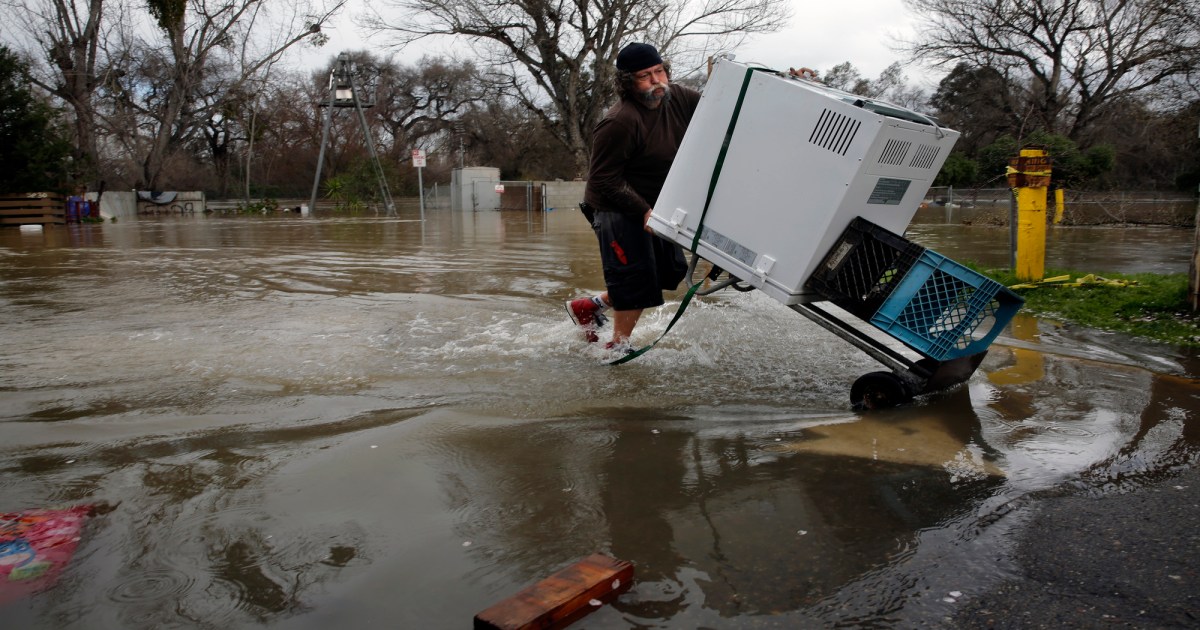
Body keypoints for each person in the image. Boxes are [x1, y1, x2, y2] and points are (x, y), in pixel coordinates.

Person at [565, 42, 701, 351]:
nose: (657, 82)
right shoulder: (620, 121)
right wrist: (642, 210)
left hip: (655, 206)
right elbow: (602, 178)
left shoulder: (677, 96)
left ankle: (591, 306)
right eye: (645, 76)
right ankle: (618, 345)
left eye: (659, 71)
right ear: (628, 82)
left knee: (670, 272)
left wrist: (785, 84)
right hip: (615, 208)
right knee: (635, 281)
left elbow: (727, 105)